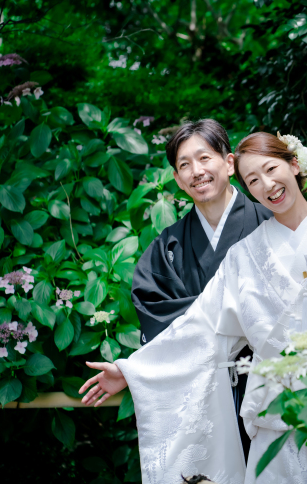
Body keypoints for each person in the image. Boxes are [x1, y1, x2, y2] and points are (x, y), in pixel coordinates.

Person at [80, 132, 307, 484]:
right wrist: (132, 371)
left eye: (272, 169)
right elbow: (200, 326)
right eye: (254, 180)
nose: (267, 185)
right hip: (281, 421)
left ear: (294, 164)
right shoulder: (244, 255)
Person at [88, 119, 272, 462]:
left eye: (204, 158)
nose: (196, 171)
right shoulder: (167, 246)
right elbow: (159, 322)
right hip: (199, 397)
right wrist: (133, 369)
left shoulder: (270, 224)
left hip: (267, 387)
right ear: (176, 179)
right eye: (184, 165)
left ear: (229, 163)